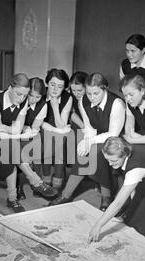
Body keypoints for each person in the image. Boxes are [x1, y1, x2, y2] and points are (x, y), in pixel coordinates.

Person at [0, 73, 52, 213]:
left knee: (11, 150)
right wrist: (11, 130)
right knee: (12, 149)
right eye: (18, 94)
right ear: (10, 88)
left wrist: (7, 128)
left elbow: (16, 129)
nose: (22, 99)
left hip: (9, 138)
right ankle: (34, 181)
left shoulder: (23, 101)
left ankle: (12, 198)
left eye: (25, 95)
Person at [50, 73, 125, 211]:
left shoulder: (117, 104)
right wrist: (85, 142)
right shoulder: (83, 100)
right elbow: (88, 127)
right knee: (83, 153)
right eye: (89, 93)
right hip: (96, 136)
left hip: (116, 139)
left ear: (105, 89)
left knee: (97, 152)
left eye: (96, 93)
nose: (92, 97)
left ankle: (106, 196)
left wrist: (90, 142)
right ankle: (66, 195)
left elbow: (114, 133)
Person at [88, 137, 145, 243]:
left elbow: (118, 203)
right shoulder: (127, 151)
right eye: (107, 160)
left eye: (113, 160)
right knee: (129, 221)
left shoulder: (135, 169)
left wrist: (98, 225)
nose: (110, 164)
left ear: (124, 154)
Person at [17, 77, 57, 199]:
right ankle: (17, 187)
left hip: (31, 133)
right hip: (15, 134)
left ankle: (36, 185)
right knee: (17, 151)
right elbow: (14, 124)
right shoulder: (19, 100)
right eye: (31, 95)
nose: (33, 99)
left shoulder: (43, 105)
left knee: (38, 149)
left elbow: (35, 127)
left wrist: (27, 131)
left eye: (37, 97)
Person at [41, 68, 73, 192]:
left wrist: (55, 107)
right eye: (52, 84)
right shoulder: (41, 94)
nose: (55, 89)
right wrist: (56, 130)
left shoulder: (67, 97)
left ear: (64, 87)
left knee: (59, 141)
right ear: (47, 83)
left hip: (59, 129)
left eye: (59, 87)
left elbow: (62, 124)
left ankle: (56, 182)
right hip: (43, 128)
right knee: (51, 140)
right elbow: (38, 122)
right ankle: (46, 180)